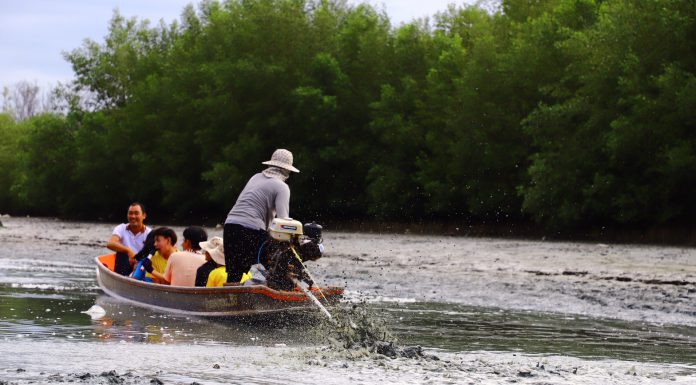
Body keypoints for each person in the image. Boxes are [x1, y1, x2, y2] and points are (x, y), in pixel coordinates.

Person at [223, 148, 299, 283]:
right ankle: (283, 292)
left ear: (271, 164)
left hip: (230, 225)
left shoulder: (255, 177)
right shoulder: (282, 187)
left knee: (234, 272)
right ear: (287, 170)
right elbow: (283, 222)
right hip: (251, 228)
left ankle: (229, 298)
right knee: (276, 266)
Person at [106, 202, 151, 276]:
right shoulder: (121, 228)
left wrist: (137, 261)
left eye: (136, 213)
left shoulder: (149, 233)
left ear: (144, 216)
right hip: (124, 266)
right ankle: (122, 278)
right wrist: (128, 250)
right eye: (130, 213)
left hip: (141, 267)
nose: (133, 216)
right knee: (122, 253)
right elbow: (110, 244)